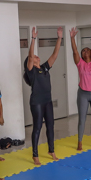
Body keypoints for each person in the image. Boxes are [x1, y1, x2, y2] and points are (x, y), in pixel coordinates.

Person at [25, 27, 62, 165]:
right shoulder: (32, 71)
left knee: (51, 126)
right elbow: (29, 56)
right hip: (37, 102)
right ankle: (35, 155)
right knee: (37, 127)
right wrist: (33, 39)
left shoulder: (45, 68)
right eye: (35, 57)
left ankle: (51, 150)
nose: (36, 57)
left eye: (36, 56)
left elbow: (55, 54)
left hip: (47, 101)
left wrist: (59, 38)